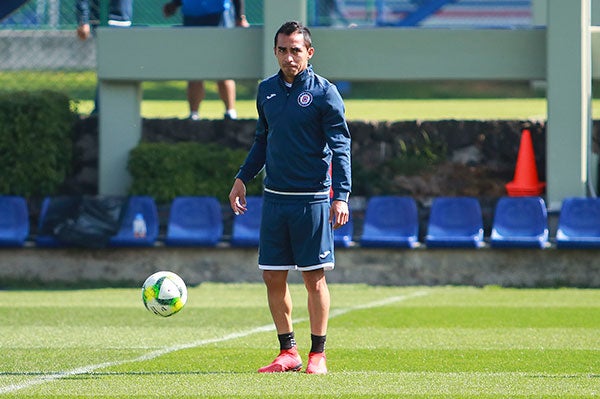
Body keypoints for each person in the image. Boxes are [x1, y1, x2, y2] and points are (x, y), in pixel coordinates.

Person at [228, 21, 351, 375]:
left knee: (313, 278)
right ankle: (288, 352)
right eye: (282, 49)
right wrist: (242, 178)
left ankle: (318, 355)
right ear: (276, 52)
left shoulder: (325, 93)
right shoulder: (266, 90)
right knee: (272, 276)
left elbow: (342, 146)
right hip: (275, 200)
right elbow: (261, 141)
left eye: (296, 49)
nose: (288, 56)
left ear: (309, 53)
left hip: (311, 199)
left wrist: (340, 196)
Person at [163, 0, 249, 120]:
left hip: (219, 13)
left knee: (223, 66)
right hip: (192, 15)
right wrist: (174, 4)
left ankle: (230, 112)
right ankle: (193, 115)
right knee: (195, 67)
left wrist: (240, 17)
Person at [76, 0, 133, 114]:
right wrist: (83, 20)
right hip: (104, 21)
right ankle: (100, 112)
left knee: (116, 67)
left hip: (122, 22)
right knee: (110, 67)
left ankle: (104, 111)